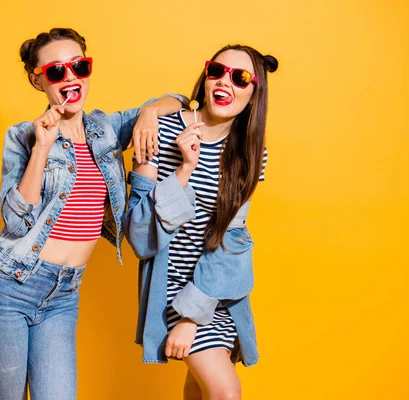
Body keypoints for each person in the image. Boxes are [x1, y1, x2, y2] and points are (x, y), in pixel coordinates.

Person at [0, 27, 187, 400]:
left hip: (63, 294)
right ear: (38, 80)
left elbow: (180, 100)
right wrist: (42, 149)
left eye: (79, 66)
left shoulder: (106, 130)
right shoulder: (23, 137)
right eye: (56, 71)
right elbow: (16, 221)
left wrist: (148, 111)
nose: (70, 78)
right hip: (6, 291)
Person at [123, 44, 278, 400]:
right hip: (171, 288)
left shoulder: (251, 155)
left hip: (216, 290)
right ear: (205, 76)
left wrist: (195, 315)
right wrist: (183, 171)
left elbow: (232, 240)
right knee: (225, 392)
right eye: (217, 71)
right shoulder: (158, 131)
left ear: (254, 95)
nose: (226, 82)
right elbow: (139, 234)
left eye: (241, 78)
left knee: (200, 392)